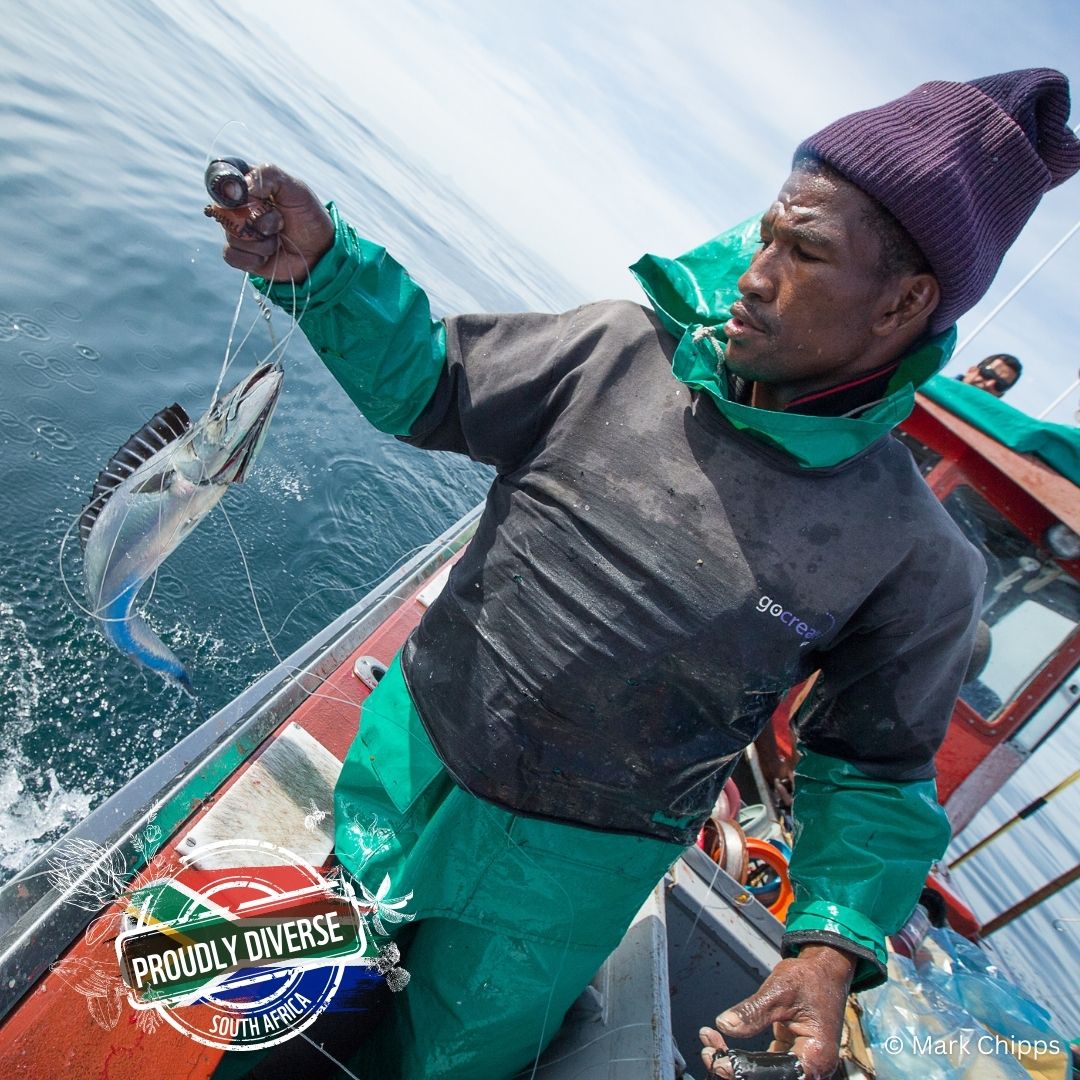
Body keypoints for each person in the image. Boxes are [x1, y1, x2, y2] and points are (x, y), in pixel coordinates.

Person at [212, 69, 1080, 1080]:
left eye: (804, 253)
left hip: (561, 890)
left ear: (906, 302)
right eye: (767, 234)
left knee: (439, 1064)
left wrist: (831, 939)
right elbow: (432, 385)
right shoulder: (620, 350)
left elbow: (874, 768)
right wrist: (323, 268)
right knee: (274, 1026)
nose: (756, 273)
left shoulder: (919, 558)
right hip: (401, 778)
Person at [957, 353, 1023, 396]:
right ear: (972, 370)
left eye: (1000, 384)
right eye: (988, 374)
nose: (989, 384)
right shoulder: (946, 386)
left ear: (1000, 394)